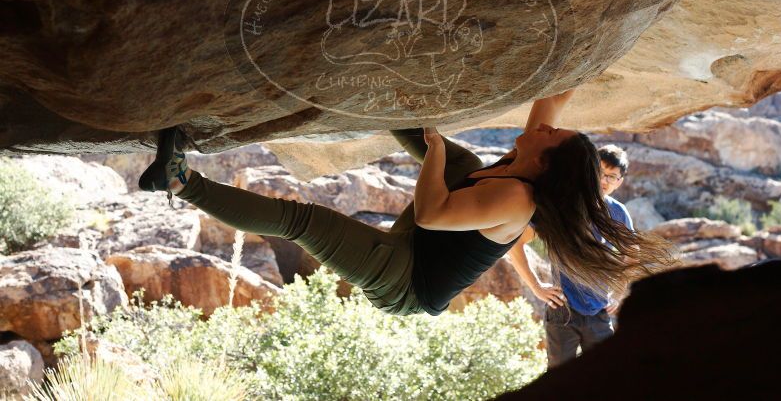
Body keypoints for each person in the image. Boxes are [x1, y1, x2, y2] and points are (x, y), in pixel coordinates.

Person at [139, 90, 670, 316]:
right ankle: (370, 90)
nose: (546, 129)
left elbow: (434, 212)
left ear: (545, 163)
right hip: (427, 239)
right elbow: (550, 100)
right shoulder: (528, 161)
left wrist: (435, 148)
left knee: (302, 219)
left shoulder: (517, 195)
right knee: (461, 164)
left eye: (551, 136)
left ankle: (180, 180)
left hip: (406, 281)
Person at [508, 142, 636, 368]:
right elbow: (514, 243)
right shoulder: (562, 205)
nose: (604, 180)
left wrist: (618, 292)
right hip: (562, 310)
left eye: (612, 176)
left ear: (620, 182)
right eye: (600, 172)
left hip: (599, 311)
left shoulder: (617, 212)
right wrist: (536, 286)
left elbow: (631, 254)